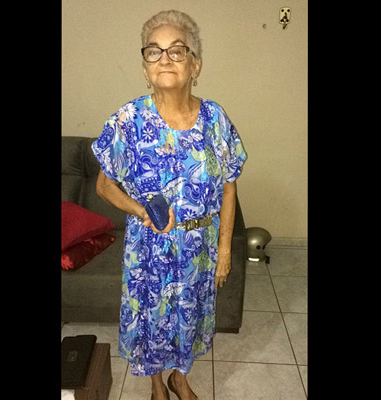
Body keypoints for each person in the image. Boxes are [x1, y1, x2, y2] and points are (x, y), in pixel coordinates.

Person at [92, 10, 247, 400]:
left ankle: (180, 377)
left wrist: (224, 250)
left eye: (177, 50)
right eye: (154, 51)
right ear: (145, 68)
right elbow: (104, 186)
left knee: (190, 321)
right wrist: (140, 210)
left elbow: (229, 186)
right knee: (152, 322)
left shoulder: (215, 119)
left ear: (195, 65)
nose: (165, 58)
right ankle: (157, 384)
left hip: (200, 249)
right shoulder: (128, 121)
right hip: (150, 249)